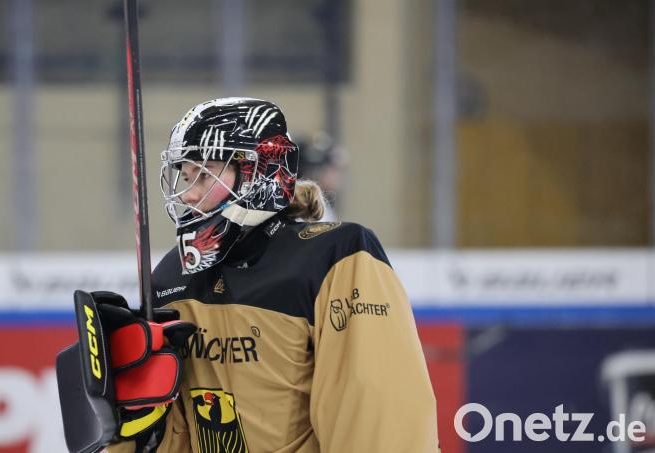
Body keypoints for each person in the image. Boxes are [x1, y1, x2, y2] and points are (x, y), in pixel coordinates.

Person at [100, 97, 438, 452]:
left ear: (258, 172)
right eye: (184, 176)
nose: (190, 194)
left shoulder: (336, 259)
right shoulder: (172, 277)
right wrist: (135, 431)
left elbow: (375, 417)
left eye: (206, 173)